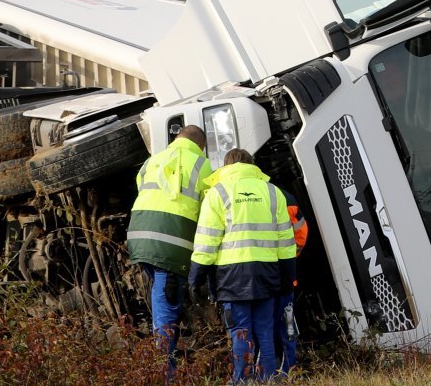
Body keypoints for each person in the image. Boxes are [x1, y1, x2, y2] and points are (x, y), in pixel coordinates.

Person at [189, 148, 296, 383]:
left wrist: (195, 278)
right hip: (266, 273)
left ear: (225, 166)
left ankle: (241, 380)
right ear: (252, 165)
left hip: (232, 277)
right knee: (265, 332)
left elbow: (207, 242)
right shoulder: (273, 192)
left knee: (240, 332)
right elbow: (286, 242)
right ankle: (268, 379)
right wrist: (288, 277)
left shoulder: (217, 193)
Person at [127, 125, 212, 378]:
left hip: (139, 237)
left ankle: (164, 365)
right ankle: (165, 373)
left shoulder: (152, 160)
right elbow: (209, 208)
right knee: (167, 303)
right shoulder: (202, 164)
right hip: (170, 243)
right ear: (200, 144)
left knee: (162, 295)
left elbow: (141, 186)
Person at [273, 187, 308, 375]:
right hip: (285, 275)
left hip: (257, 278)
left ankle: (269, 371)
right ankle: (289, 368)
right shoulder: (284, 196)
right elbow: (301, 230)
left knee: (264, 325)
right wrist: (291, 257)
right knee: (287, 322)